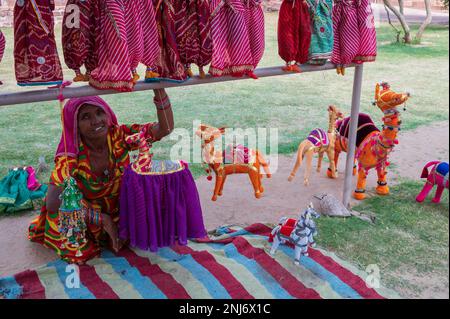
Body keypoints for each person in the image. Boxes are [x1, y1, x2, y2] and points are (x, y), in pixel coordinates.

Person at [29, 89, 174, 264]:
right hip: (84, 214)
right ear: (75, 125)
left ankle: (115, 230)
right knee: (77, 244)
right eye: (85, 117)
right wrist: (101, 218)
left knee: (156, 220)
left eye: (99, 112)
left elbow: (164, 129)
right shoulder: (72, 155)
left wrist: (159, 90)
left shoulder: (119, 136)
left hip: (119, 208)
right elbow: (53, 202)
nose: (96, 120)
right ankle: (103, 232)